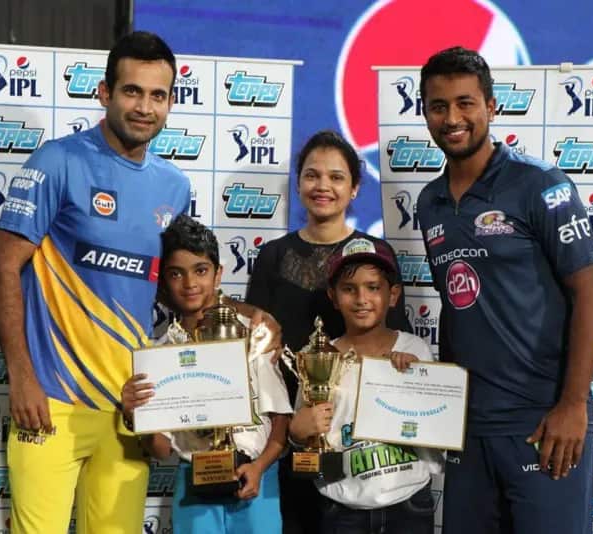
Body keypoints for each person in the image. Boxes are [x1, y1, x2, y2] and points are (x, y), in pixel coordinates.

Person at [0, 30, 189, 533]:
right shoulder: (57, 161)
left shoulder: (175, 187)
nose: (145, 107)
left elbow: (177, 292)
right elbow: (3, 266)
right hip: (50, 404)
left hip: (127, 411)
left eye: (158, 95)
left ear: (170, 103)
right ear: (104, 93)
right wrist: (22, 377)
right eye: (132, 91)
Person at [415, 47, 593, 534]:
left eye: (465, 103)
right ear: (425, 112)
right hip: (469, 426)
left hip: (542, 421)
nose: (452, 118)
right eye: (438, 106)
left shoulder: (540, 184)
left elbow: (591, 294)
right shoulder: (430, 202)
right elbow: (458, 306)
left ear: (491, 107)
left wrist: (573, 405)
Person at [245, 129, 411, 534]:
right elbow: (254, 349)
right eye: (312, 175)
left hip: (358, 437)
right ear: (298, 183)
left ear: (354, 188)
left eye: (336, 177)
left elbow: (396, 342)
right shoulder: (272, 256)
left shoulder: (377, 255)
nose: (323, 186)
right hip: (286, 432)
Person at [121, 214, 292, 534]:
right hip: (193, 481)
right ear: (163, 282)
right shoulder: (159, 353)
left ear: (218, 274)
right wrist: (137, 416)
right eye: (176, 274)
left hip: (257, 475)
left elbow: (280, 419)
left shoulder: (254, 333)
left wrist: (259, 467)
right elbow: (161, 450)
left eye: (200, 270)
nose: (190, 284)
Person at [288, 237, 442, 534]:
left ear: (393, 295)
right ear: (333, 297)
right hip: (342, 507)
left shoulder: (415, 350)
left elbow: (436, 425)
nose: (361, 299)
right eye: (349, 289)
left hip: (407, 501)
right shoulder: (318, 357)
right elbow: (303, 431)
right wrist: (296, 433)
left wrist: (417, 379)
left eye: (373, 287)